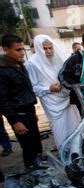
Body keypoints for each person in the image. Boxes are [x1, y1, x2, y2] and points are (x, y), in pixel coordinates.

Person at [27, 35, 81, 150]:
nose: (49, 51)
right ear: (38, 49)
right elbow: (32, 88)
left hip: (67, 98)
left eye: (50, 47)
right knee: (60, 129)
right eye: (45, 48)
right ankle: (65, 154)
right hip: (52, 103)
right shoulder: (32, 64)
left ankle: (79, 151)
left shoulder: (59, 58)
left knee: (75, 126)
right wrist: (49, 89)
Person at [0, 34, 42, 168]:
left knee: (37, 145)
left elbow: (24, 90)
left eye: (22, 49)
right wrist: (15, 121)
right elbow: (3, 100)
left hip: (29, 111)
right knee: (29, 148)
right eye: (18, 50)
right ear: (6, 49)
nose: (22, 53)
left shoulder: (19, 65)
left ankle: (40, 171)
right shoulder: (3, 70)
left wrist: (32, 110)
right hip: (19, 115)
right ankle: (31, 174)